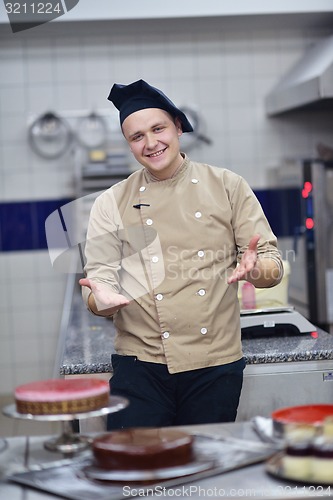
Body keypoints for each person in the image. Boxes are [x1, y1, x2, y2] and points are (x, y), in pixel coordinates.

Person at [79, 79, 283, 430]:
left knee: (204, 473)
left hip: (214, 365)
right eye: (137, 136)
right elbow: (96, 282)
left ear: (178, 127)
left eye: (158, 129)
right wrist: (101, 300)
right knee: (138, 473)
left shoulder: (227, 186)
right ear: (129, 145)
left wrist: (256, 270)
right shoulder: (110, 201)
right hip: (139, 365)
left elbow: (271, 263)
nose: (151, 143)